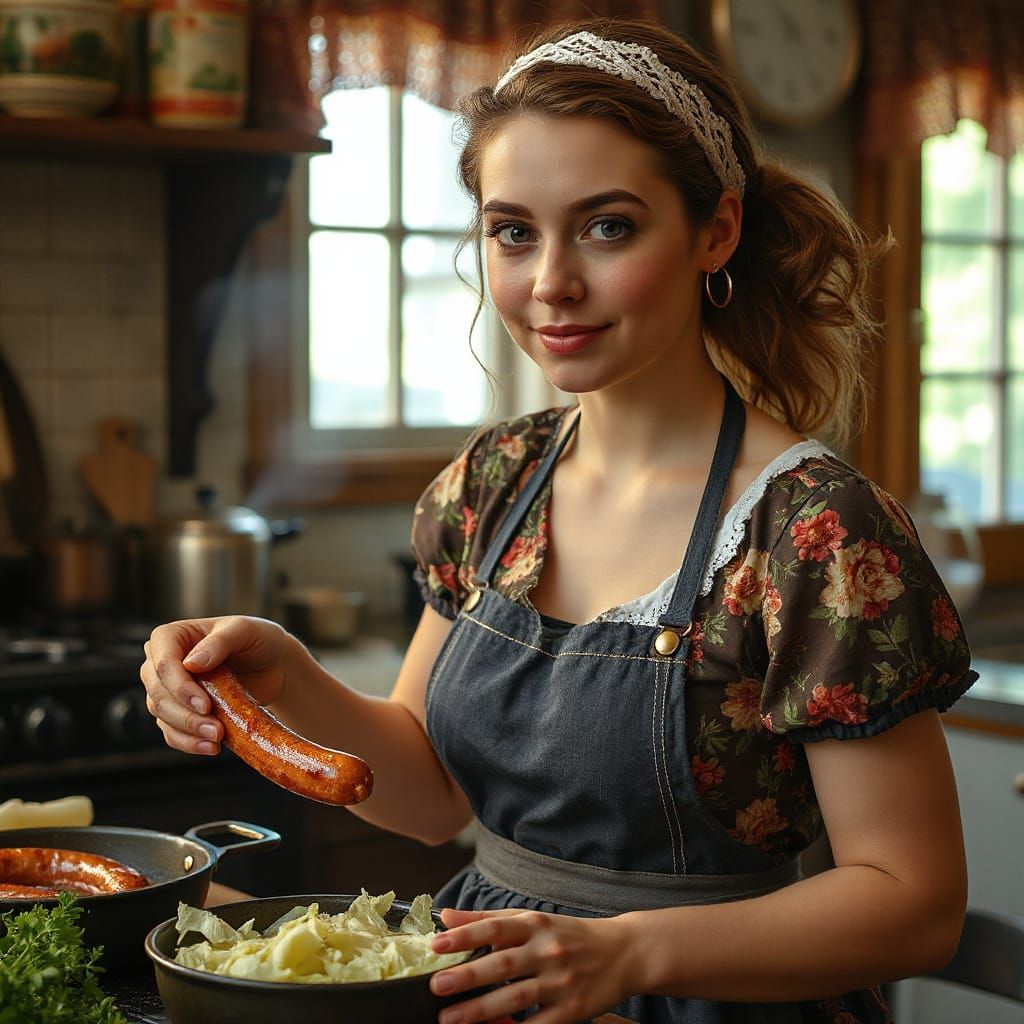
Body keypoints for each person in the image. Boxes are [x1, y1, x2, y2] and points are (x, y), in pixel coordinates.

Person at [140, 18, 978, 1024]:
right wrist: (287, 678)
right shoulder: (493, 483)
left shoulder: (818, 531)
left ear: (716, 229)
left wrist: (625, 954)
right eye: (513, 231)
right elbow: (428, 799)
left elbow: (913, 903)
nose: (549, 284)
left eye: (608, 226)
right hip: (481, 989)